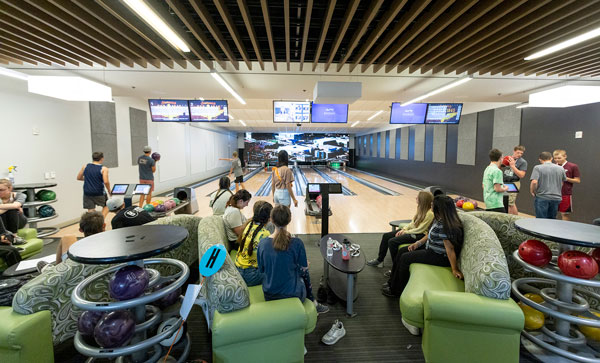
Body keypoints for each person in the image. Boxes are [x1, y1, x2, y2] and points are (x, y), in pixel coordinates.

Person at [383, 195, 464, 297]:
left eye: (433, 204)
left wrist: (454, 269)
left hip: (439, 256)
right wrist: (418, 243)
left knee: (405, 258)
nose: (431, 204)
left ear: (438, 208)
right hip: (430, 249)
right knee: (402, 251)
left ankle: (396, 291)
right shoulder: (439, 218)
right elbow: (428, 234)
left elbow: (450, 249)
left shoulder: (445, 225)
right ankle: (392, 282)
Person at [257, 204, 329, 314]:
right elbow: (303, 269)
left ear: (271, 220)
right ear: (289, 220)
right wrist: (303, 267)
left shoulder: (262, 243)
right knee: (305, 271)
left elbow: (261, 270)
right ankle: (313, 301)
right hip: (293, 293)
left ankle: (313, 302)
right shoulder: (297, 243)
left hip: (270, 294)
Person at [367, 191, 434, 271]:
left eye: (418, 197)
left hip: (420, 235)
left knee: (392, 242)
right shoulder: (420, 208)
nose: (416, 198)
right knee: (386, 236)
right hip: (413, 231)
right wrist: (404, 229)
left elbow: (421, 229)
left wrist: (406, 232)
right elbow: (413, 223)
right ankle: (380, 260)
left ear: (423, 200)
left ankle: (396, 268)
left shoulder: (430, 214)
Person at [37, 211, 105, 272]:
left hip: (72, 271)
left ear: (80, 230)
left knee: (68, 237)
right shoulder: (111, 245)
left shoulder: (79, 252)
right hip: (99, 274)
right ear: (104, 226)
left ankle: (54, 271)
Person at [235, 201, 273, 286]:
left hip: (238, 270)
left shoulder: (248, 225)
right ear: (269, 218)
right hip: (250, 276)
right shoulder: (265, 234)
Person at [530, 151, 566, 219]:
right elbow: (562, 182)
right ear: (551, 158)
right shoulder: (561, 168)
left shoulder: (537, 168)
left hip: (542, 197)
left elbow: (534, 182)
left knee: (541, 220)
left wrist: (532, 190)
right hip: (556, 198)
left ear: (540, 159)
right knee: (552, 220)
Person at [77, 152, 110, 217]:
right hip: (98, 192)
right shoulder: (104, 168)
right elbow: (106, 181)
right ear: (102, 158)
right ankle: (100, 221)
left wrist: (88, 179)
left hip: (87, 192)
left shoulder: (85, 166)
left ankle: (92, 225)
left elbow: (79, 177)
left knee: (91, 210)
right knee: (107, 205)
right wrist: (109, 190)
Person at [553, 149, 581, 221]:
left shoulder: (573, 166)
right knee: (552, 213)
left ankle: (564, 231)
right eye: (555, 158)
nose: (557, 160)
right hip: (552, 193)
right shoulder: (552, 166)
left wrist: (566, 178)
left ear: (565, 156)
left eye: (559, 158)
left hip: (565, 193)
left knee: (565, 214)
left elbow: (577, 180)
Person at [502, 145, 528, 215]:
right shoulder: (508, 159)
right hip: (505, 183)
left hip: (513, 183)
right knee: (507, 202)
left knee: (510, 203)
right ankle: (516, 218)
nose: (519, 155)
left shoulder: (523, 162)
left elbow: (522, 175)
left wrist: (513, 166)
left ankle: (510, 220)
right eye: (518, 152)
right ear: (514, 151)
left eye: (521, 153)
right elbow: (501, 166)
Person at [483, 148, 508, 212]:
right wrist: (505, 188)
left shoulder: (487, 169)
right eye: (502, 157)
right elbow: (497, 189)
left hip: (488, 203)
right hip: (496, 204)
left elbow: (483, 185)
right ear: (500, 158)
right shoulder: (497, 171)